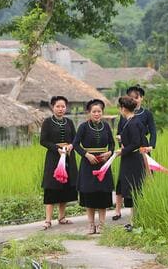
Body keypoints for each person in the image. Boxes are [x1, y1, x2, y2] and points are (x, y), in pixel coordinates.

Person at [113, 85, 157, 220]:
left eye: (136, 97)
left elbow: (141, 139)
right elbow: (122, 133)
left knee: (139, 182)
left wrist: (150, 146)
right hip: (130, 152)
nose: (134, 100)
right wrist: (122, 144)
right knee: (127, 182)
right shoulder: (128, 119)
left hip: (137, 152)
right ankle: (124, 212)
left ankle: (137, 215)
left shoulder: (139, 118)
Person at [72, 98, 115, 234]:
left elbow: (112, 144)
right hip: (88, 164)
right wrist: (86, 155)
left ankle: (102, 224)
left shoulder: (106, 126)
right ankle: (91, 225)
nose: (97, 114)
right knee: (89, 195)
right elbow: (75, 144)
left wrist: (109, 153)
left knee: (103, 194)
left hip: (103, 163)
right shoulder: (83, 127)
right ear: (89, 113)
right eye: (94, 111)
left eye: (99, 111)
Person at [39, 95, 79, 230]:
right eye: (58, 106)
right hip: (54, 158)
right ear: (52, 107)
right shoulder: (47, 122)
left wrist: (70, 146)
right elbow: (43, 141)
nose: (61, 109)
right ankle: (48, 220)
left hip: (68, 156)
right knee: (51, 187)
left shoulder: (69, 122)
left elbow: (75, 139)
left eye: (63, 106)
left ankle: (62, 217)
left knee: (65, 187)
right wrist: (57, 149)